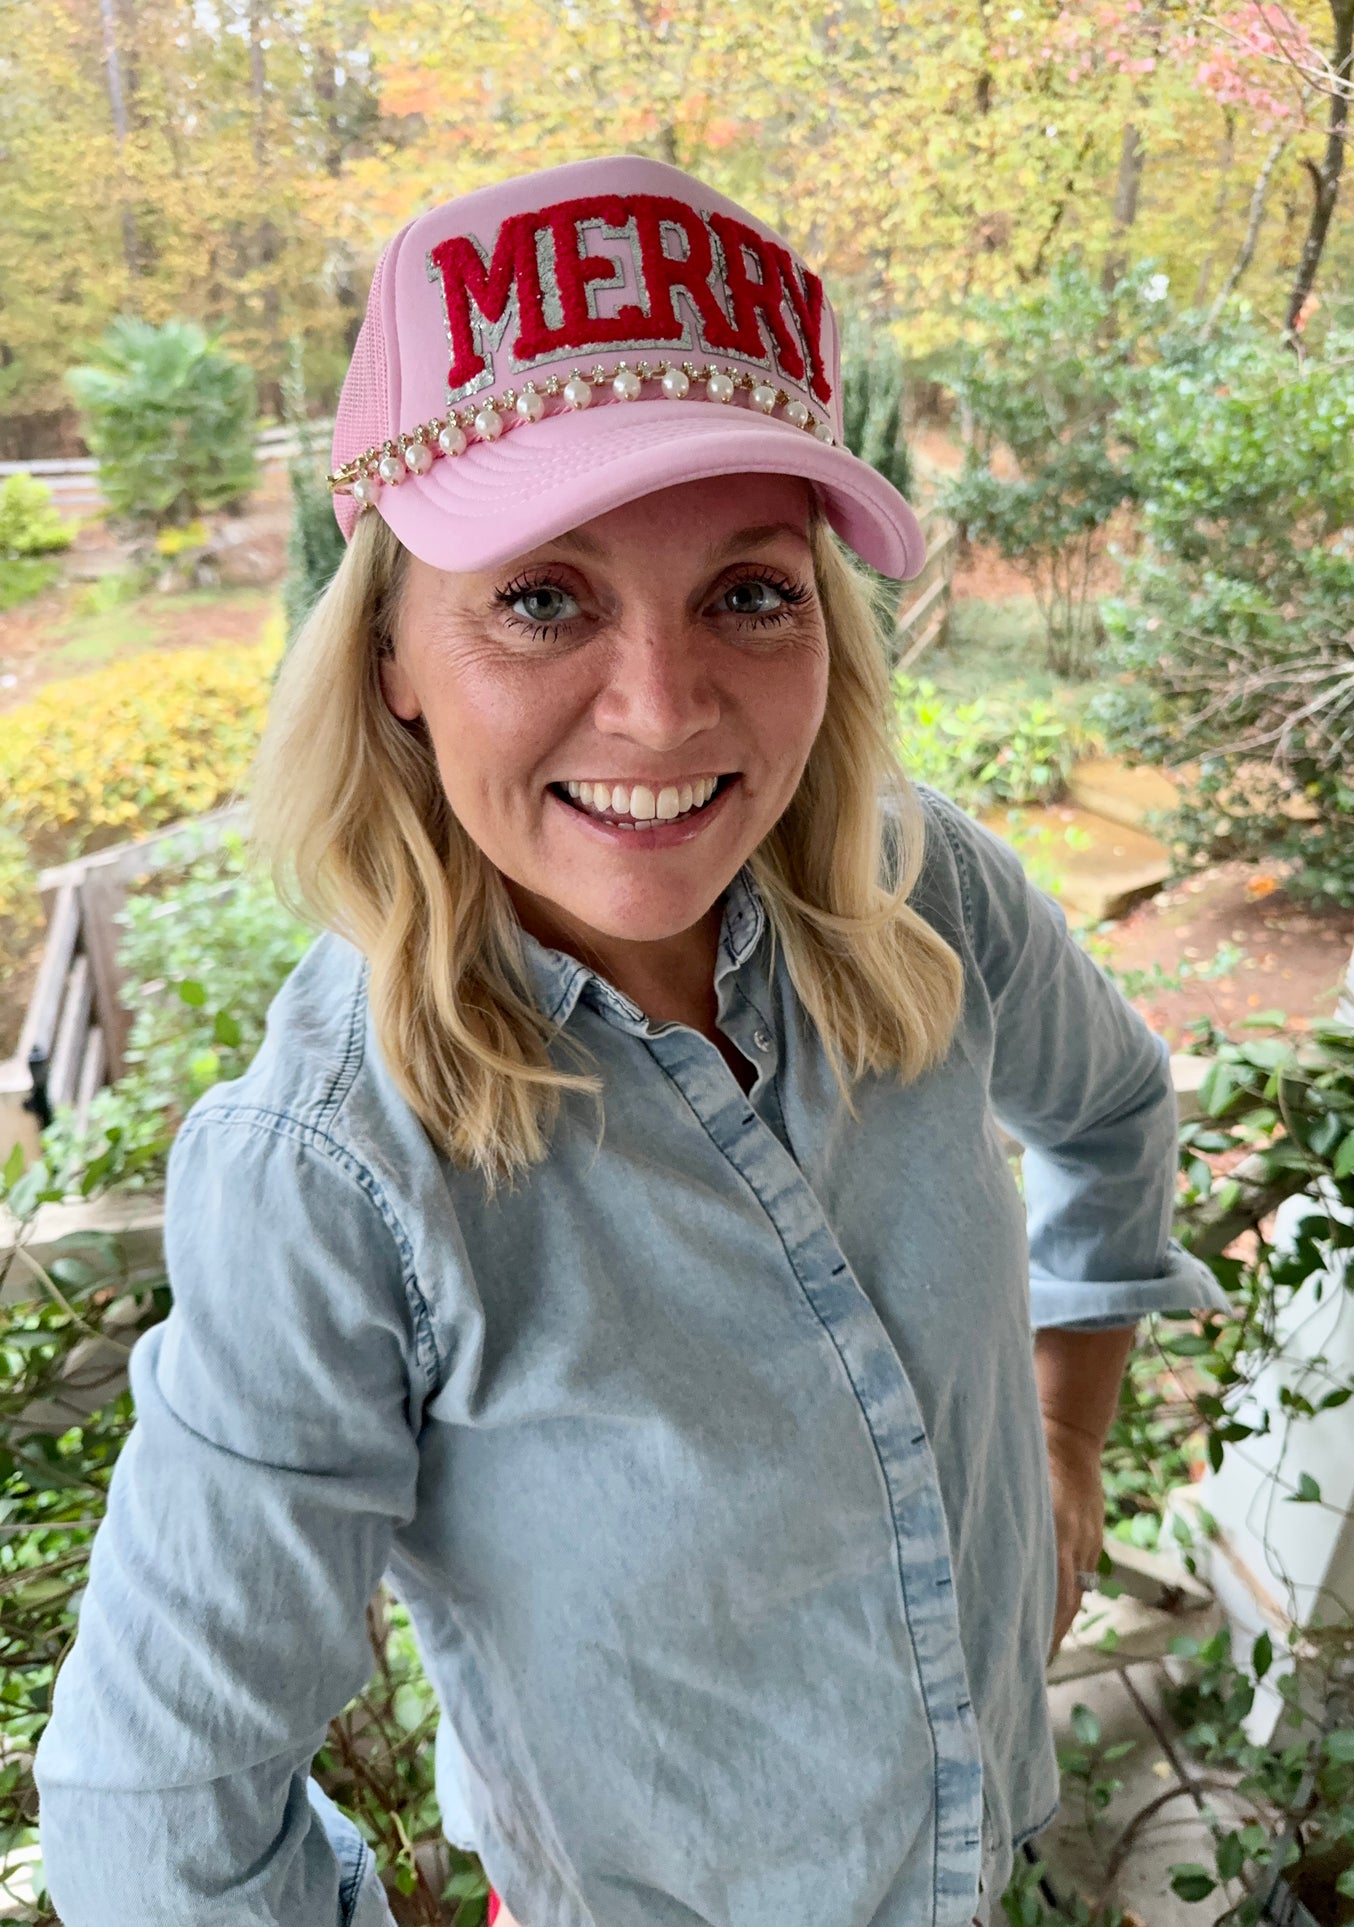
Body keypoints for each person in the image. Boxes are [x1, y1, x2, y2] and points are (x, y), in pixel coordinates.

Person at [34, 155, 1229, 1927]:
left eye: (749, 592)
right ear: (390, 662)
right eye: (542, 597)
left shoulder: (926, 902)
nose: (663, 710)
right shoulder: (337, 1171)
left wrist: (1066, 1433)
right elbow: (156, 1818)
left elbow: (1114, 1114)